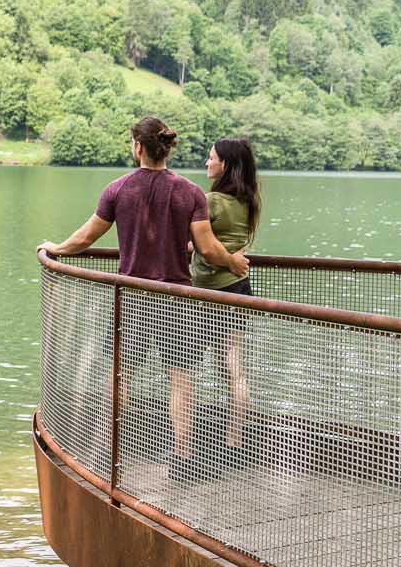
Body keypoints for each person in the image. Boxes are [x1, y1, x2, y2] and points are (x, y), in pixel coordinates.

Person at [38, 116, 248, 481]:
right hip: (176, 300)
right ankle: (182, 457)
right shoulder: (190, 193)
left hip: (133, 298)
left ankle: (109, 447)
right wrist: (233, 261)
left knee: (120, 376)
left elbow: (86, 237)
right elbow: (209, 250)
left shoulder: (118, 190)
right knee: (181, 378)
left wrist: (57, 247)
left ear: (138, 147)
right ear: (165, 148)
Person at [192, 137, 261, 457]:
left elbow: (194, 244)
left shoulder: (211, 202)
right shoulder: (249, 200)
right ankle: (234, 441)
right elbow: (236, 243)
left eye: (211, 158)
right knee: (234, 367)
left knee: (184, 368)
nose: (207, 163)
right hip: (238, 288)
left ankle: (186, 445)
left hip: (208, 291)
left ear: (226, 165)